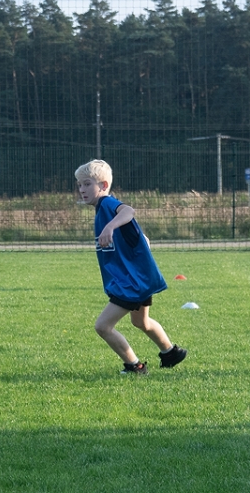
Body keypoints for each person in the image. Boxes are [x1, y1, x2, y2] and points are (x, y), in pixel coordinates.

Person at [75, 159, 187, 375]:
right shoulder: (101, 209)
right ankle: (171, 352)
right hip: (137, 279)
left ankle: (134, 366)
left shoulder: (107, 205)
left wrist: (110, 227)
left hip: (131, 283)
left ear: (104, 185)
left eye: (87, 184)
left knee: (103, 327)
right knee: (141, 321)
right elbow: (137, 234)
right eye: (80, 185)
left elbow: (128, 211)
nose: (82, 190)